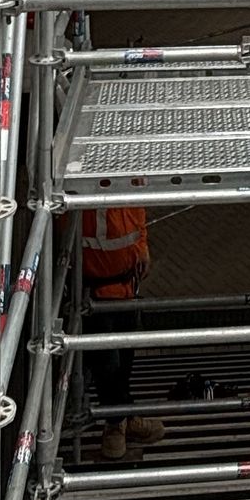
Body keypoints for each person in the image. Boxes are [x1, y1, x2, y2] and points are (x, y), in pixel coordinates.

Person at [82, 188, 167, 462]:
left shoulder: (125, 175)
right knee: (107, 363)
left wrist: (142, 246)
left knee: (125, 358)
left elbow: (136, 206)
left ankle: (123, 418)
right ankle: (115, 424)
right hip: (95, 292)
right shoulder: (83, 181)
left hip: (126, 286)